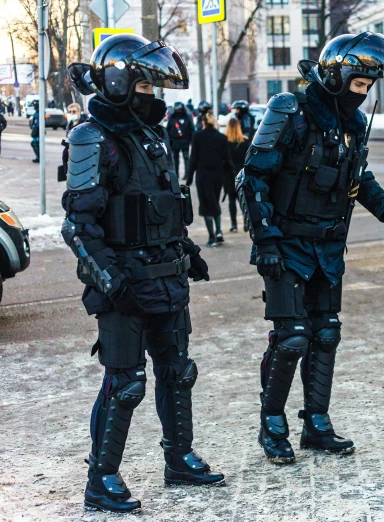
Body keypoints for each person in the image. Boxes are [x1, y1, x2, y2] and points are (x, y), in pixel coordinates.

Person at [63, 34, 224, 513]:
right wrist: (110, 279)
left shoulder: (150, 136)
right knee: (125, 382)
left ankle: (179, 458)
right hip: (125, 287)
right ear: (118, 82)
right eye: (146, 88)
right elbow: (78, 226)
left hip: (167, 279)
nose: (154, 99)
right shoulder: (93, 137)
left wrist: (187, 250)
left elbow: (163, 210)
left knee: (178, 373)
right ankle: (102, 478)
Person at [237, 31, 384, 463]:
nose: (363, 95)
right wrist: (266, 239)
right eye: (358, 85)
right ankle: (272, 424)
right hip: (286, 246)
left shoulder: (350, 128)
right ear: (336, 76)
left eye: (369, 88)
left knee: (326, 335)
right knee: (291, 339)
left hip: (328, 249)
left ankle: (317, 423)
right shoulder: (289, 111)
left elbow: (358, 179)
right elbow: (252, 178)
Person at [187, 112, 233, 247]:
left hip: (203, 175)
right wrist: (231, 176)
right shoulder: (222, 138)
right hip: (218, 176)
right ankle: (218, 231)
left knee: (206, 206)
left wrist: (189, 178)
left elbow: (193, 159)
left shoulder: (197, 137)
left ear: (203, 122)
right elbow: (227, 160)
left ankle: (212, 236)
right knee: (215, 202)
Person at [224, 117, 250, 233]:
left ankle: (234, 225)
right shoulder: (245, 142)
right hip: (242, 174)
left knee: (231, 200)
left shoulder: (225, 142)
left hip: (229, 174)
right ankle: (246, 222)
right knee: (243, 200)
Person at [166, 101, 195, 178]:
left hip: (185, 141)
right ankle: (176, 174)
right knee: (175, 159)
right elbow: (168, 129)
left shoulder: (187, 117)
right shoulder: (172, 117)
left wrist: (191, 140)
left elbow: (191, 129)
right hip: (175, 141)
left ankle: (187, 174)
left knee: (185, 158)